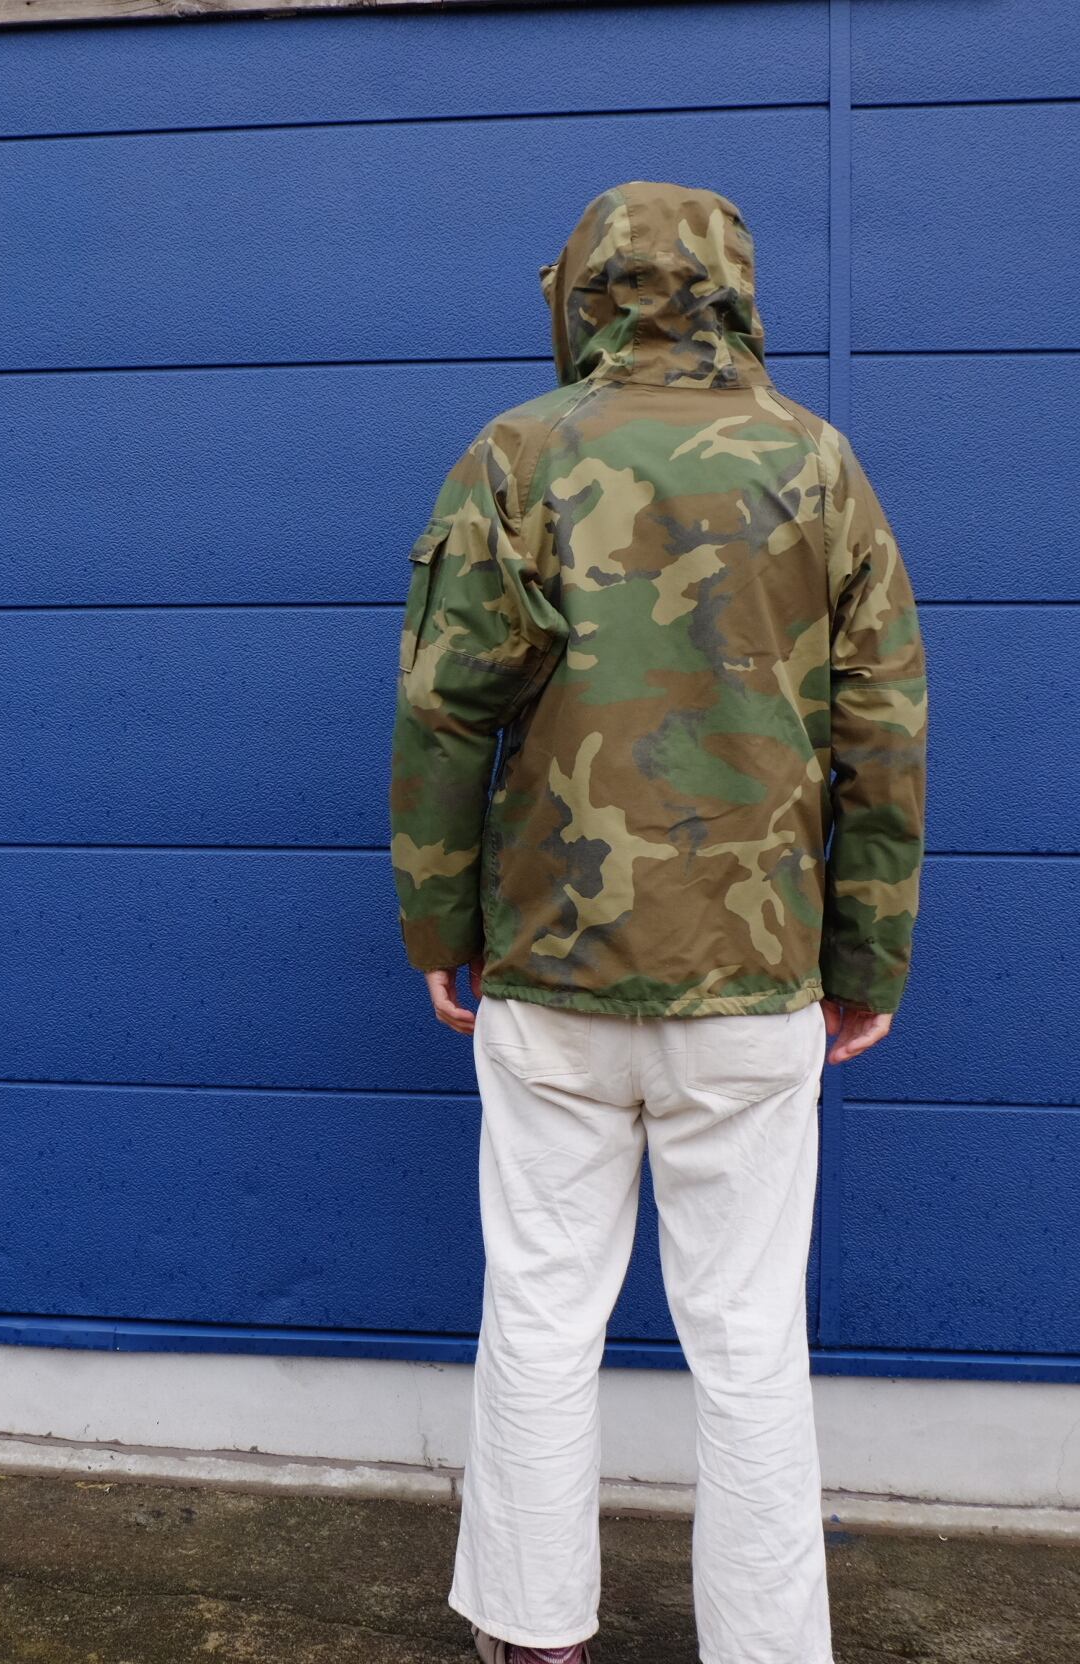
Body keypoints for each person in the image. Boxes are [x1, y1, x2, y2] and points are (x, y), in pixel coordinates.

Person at [387, 180, 927, 1664]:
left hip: (554, 972)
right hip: (755, 985)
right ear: (732, 294)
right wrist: (864, 959)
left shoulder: (519, 456)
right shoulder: (817, 464)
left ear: (584, 295)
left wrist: (440, 928)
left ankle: (533, 1632)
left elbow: (445, 709)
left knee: (542, 1309)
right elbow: (883, 732)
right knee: (750, 1335)